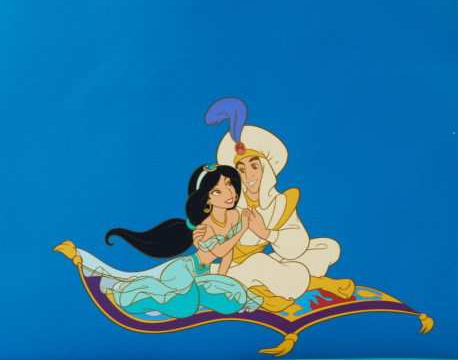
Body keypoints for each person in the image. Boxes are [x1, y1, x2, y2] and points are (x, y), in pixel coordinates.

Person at [193, 98, 355, 311]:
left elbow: (296, 246)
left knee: (328, 248)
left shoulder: (280, 202)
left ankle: (263, 288)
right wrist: (203, 238)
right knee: (261, 264)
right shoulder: (229, 203)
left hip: (270, 262)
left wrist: (266, 233)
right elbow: (214, 241)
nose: (249, 176)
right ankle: (307, 286)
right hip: (233, 266)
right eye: (241, 169)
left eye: (254, 167)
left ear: (266, 168)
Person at [54, 164, 262, 318]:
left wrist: (221, 282)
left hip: (201, 275)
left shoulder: (234, 216)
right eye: (217, 191)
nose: (230, 193)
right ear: (206, 198)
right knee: (185, 307)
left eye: (229, 184)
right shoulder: (203, 227)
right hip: (183, 270)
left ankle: (186, 295)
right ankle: (132, 289)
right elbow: (219, 251)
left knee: (234, 298)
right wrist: (243, 229)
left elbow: (228, 255)